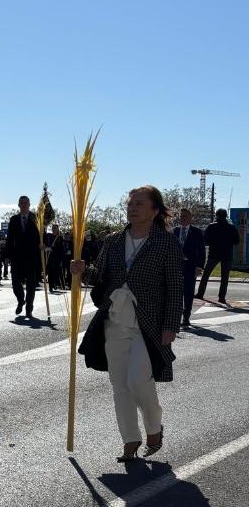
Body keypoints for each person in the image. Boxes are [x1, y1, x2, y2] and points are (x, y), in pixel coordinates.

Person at [73, 186, 183, 462]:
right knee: (119, 384)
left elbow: (174, 286)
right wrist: (82, 270)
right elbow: (100, 276)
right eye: (130, 203)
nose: (132, 208)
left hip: (148, 324)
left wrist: (171, 324)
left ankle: (154, 428)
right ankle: (130, 440)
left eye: (139, 203)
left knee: (138, 381)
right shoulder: (113, 240)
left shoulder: (166, 242)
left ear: (155, 210)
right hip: (115, 322)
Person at [5, 196, 41, 318]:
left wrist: (43, 244)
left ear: (29, 204)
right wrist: (7, 255)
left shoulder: (36, 218)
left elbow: (42, 234)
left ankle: (29, 308)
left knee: (31, 285)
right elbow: (9, 239)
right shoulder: (14, 219)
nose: (24, 205)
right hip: (17, 257)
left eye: (26, 203)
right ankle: (21, 300)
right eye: (22, 203)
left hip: (32, 257)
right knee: (15, 283)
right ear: (19, 205)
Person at [196, 208, 241, 306]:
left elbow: (206, 240)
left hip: (214, 253)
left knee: (206, 275)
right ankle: (221, 297)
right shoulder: (231, 227)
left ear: (217, 215)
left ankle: (200, 293)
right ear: (226, 216)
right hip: (227, 254)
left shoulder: (212, 227)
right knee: (224, 277)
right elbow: (236, 241)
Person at [173, 208, 206, 327]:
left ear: (190, 218)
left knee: (188, 292)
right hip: (176, 266)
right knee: (176, 292)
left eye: (185, 216)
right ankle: (175, 316)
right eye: (181, 216)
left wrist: (199, 266)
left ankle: (186, 316)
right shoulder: (174, 231)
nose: (183, 218)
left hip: (190, 266)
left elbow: (202, 251)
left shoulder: (197, 232)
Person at [46, 223, 66, 293]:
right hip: (50, 257)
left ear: (58, 229)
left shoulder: (60, 237)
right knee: (50, 272)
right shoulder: (49, 236)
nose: (53, 229)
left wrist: (53, 248)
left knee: (56, 272)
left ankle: (55, 284)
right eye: (53, 228)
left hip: (57, 257)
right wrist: (47, 248)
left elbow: (61, 248)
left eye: (55, 228)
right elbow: (46, 244)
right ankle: (51, 286)